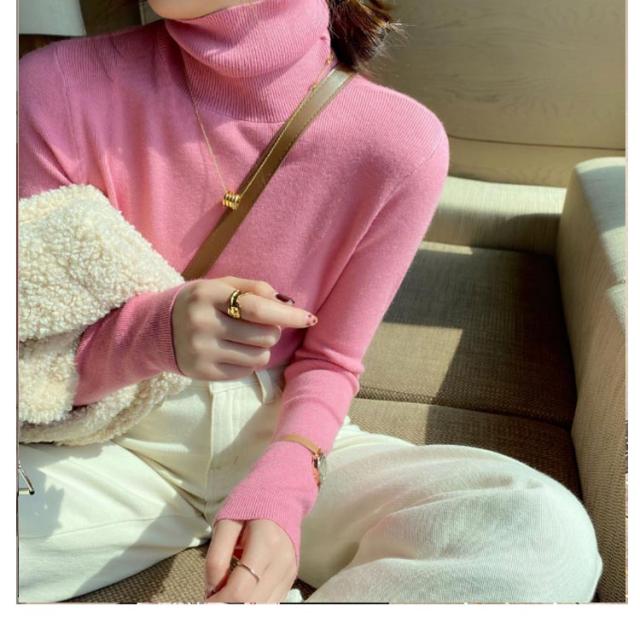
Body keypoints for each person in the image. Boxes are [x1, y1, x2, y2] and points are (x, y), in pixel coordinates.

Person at [17, 0, 604, 604]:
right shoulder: (51, 88)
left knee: (542, 535)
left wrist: (288, 478)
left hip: (283, 431)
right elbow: (30, 353)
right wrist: (150, 335)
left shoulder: (399, 143)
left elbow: (330, 360)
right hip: (105, 443)